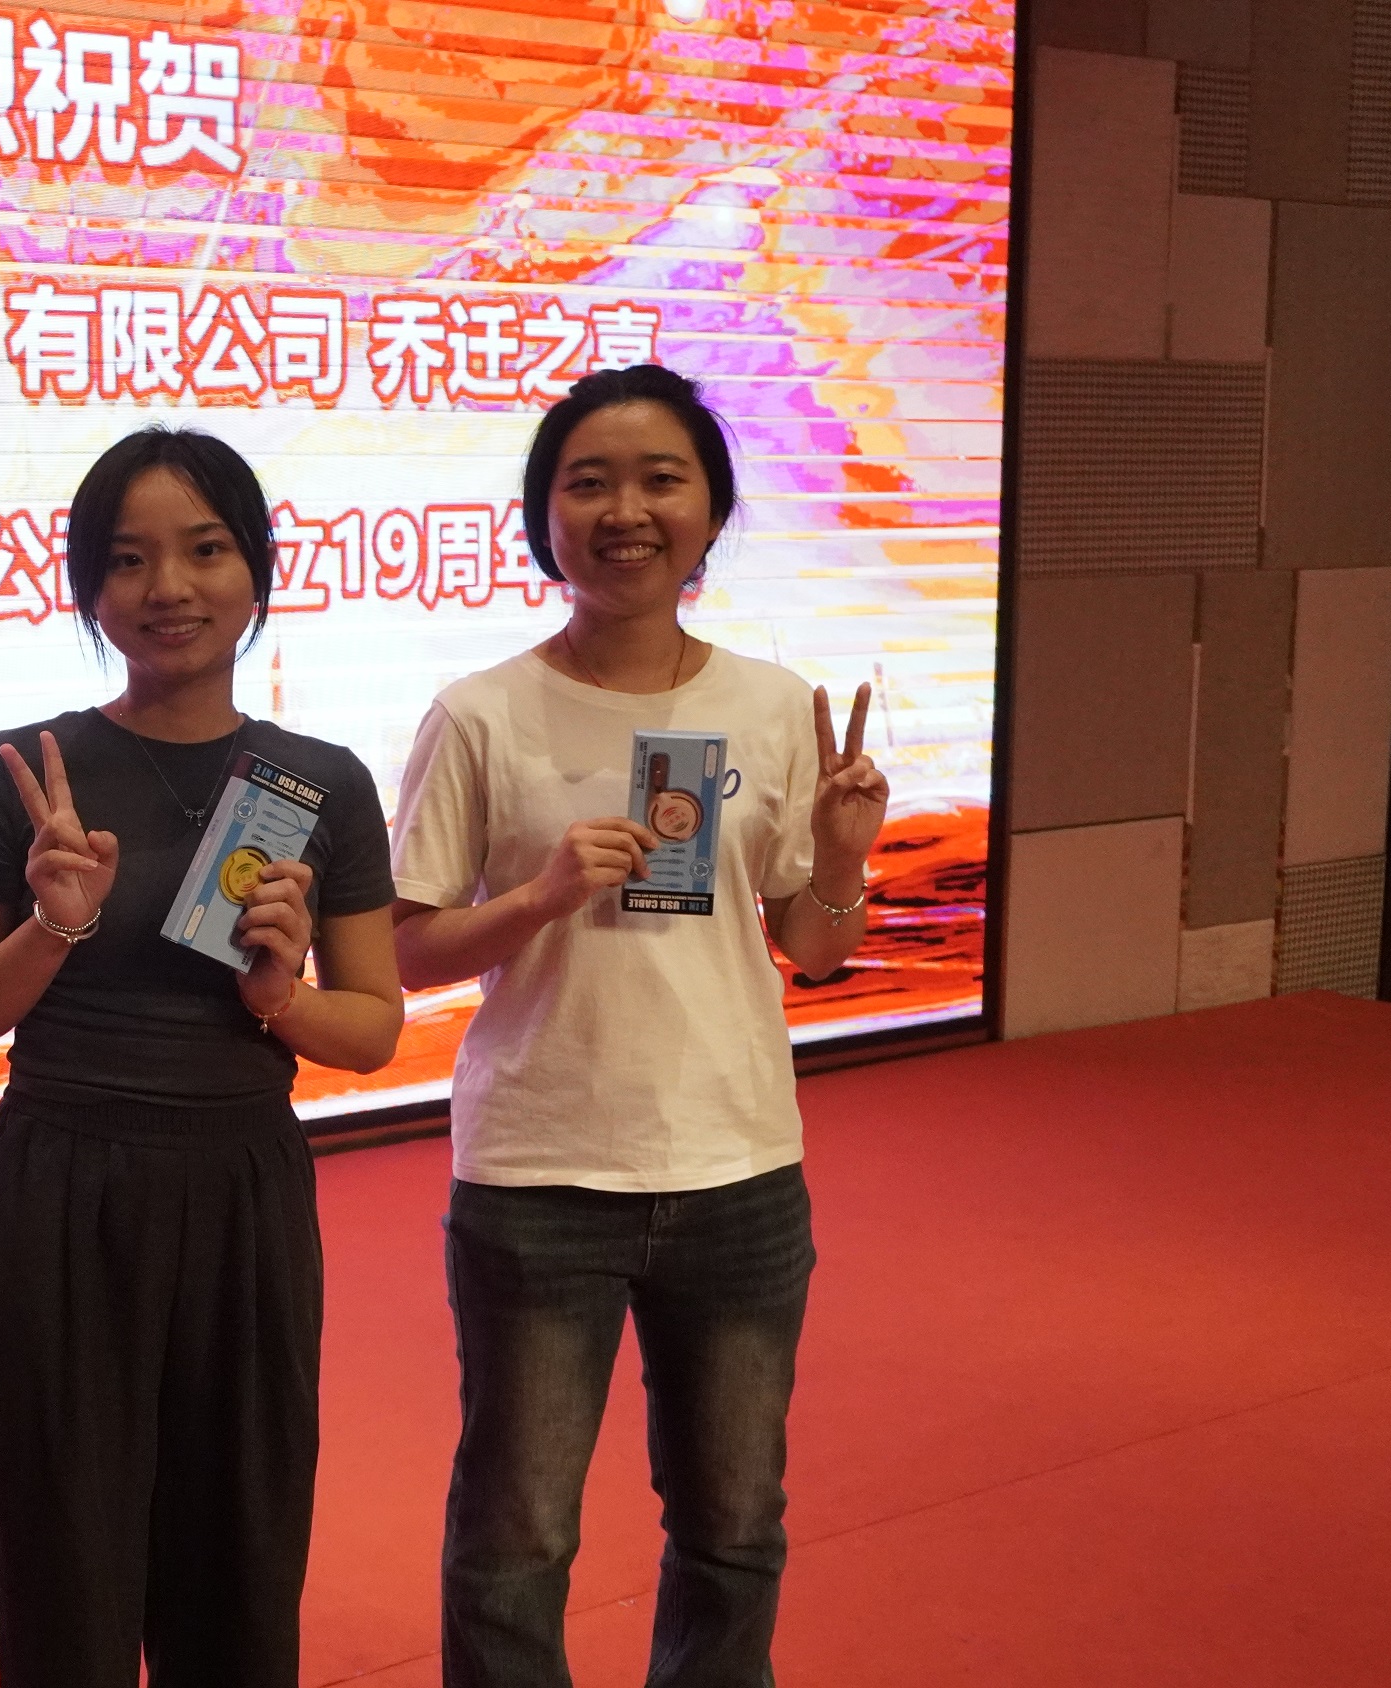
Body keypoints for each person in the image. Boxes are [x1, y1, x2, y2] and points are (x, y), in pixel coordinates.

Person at [389, 364, 893, 1688]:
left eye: (661, 480)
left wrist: (845, 855)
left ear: (711, 512)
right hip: (540, 1174)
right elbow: (401, 946)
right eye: (589, 483)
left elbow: (814, 945)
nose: (626, 511)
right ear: (544, 515)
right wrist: (540, 897)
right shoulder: (481, 713)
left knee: (734, 1526)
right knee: (515, 1540)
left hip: (737, 1167)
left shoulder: (773, 707)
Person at [0, 426, 406, 1687]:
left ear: (256, 569)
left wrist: (279, 998)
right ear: (89, 584)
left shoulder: (323, 781)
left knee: (238, 1559)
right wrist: (52, 925)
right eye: (128, 559)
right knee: (62, 1565)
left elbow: (372, 1027)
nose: (167, 587)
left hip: (242, 1188)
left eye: (205, 549)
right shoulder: (28, 770)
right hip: (61, 1186)